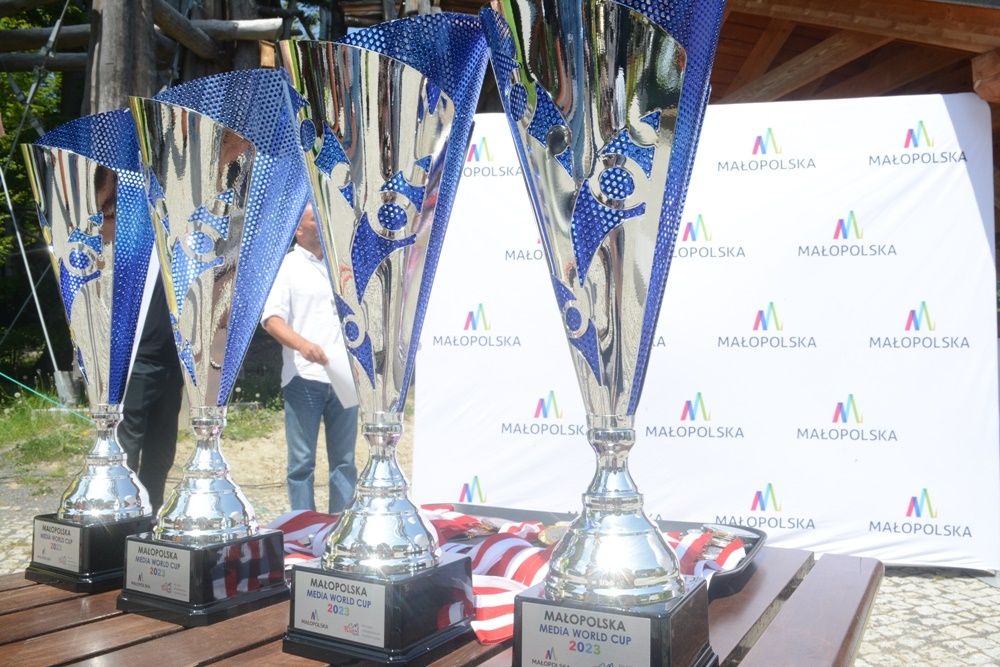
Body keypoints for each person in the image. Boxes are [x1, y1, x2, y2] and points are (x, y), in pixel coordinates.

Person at [261, 203, 359, 514]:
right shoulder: (287, 266)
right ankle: (304, 528)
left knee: (345, 462)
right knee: (302, 463)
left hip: (344, 375)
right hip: (304, 376)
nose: (322, 221)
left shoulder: (341, 263)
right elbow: (271, 320)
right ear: (298, 230)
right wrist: (302, 345)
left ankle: (340, 524)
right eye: (314, 218)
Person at [119, 277, 184, 514]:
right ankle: (124, 512)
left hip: (174, 364)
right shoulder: (142, 256)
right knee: (128, 447)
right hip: (137, 360)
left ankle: (152, 511)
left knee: (162, 449)